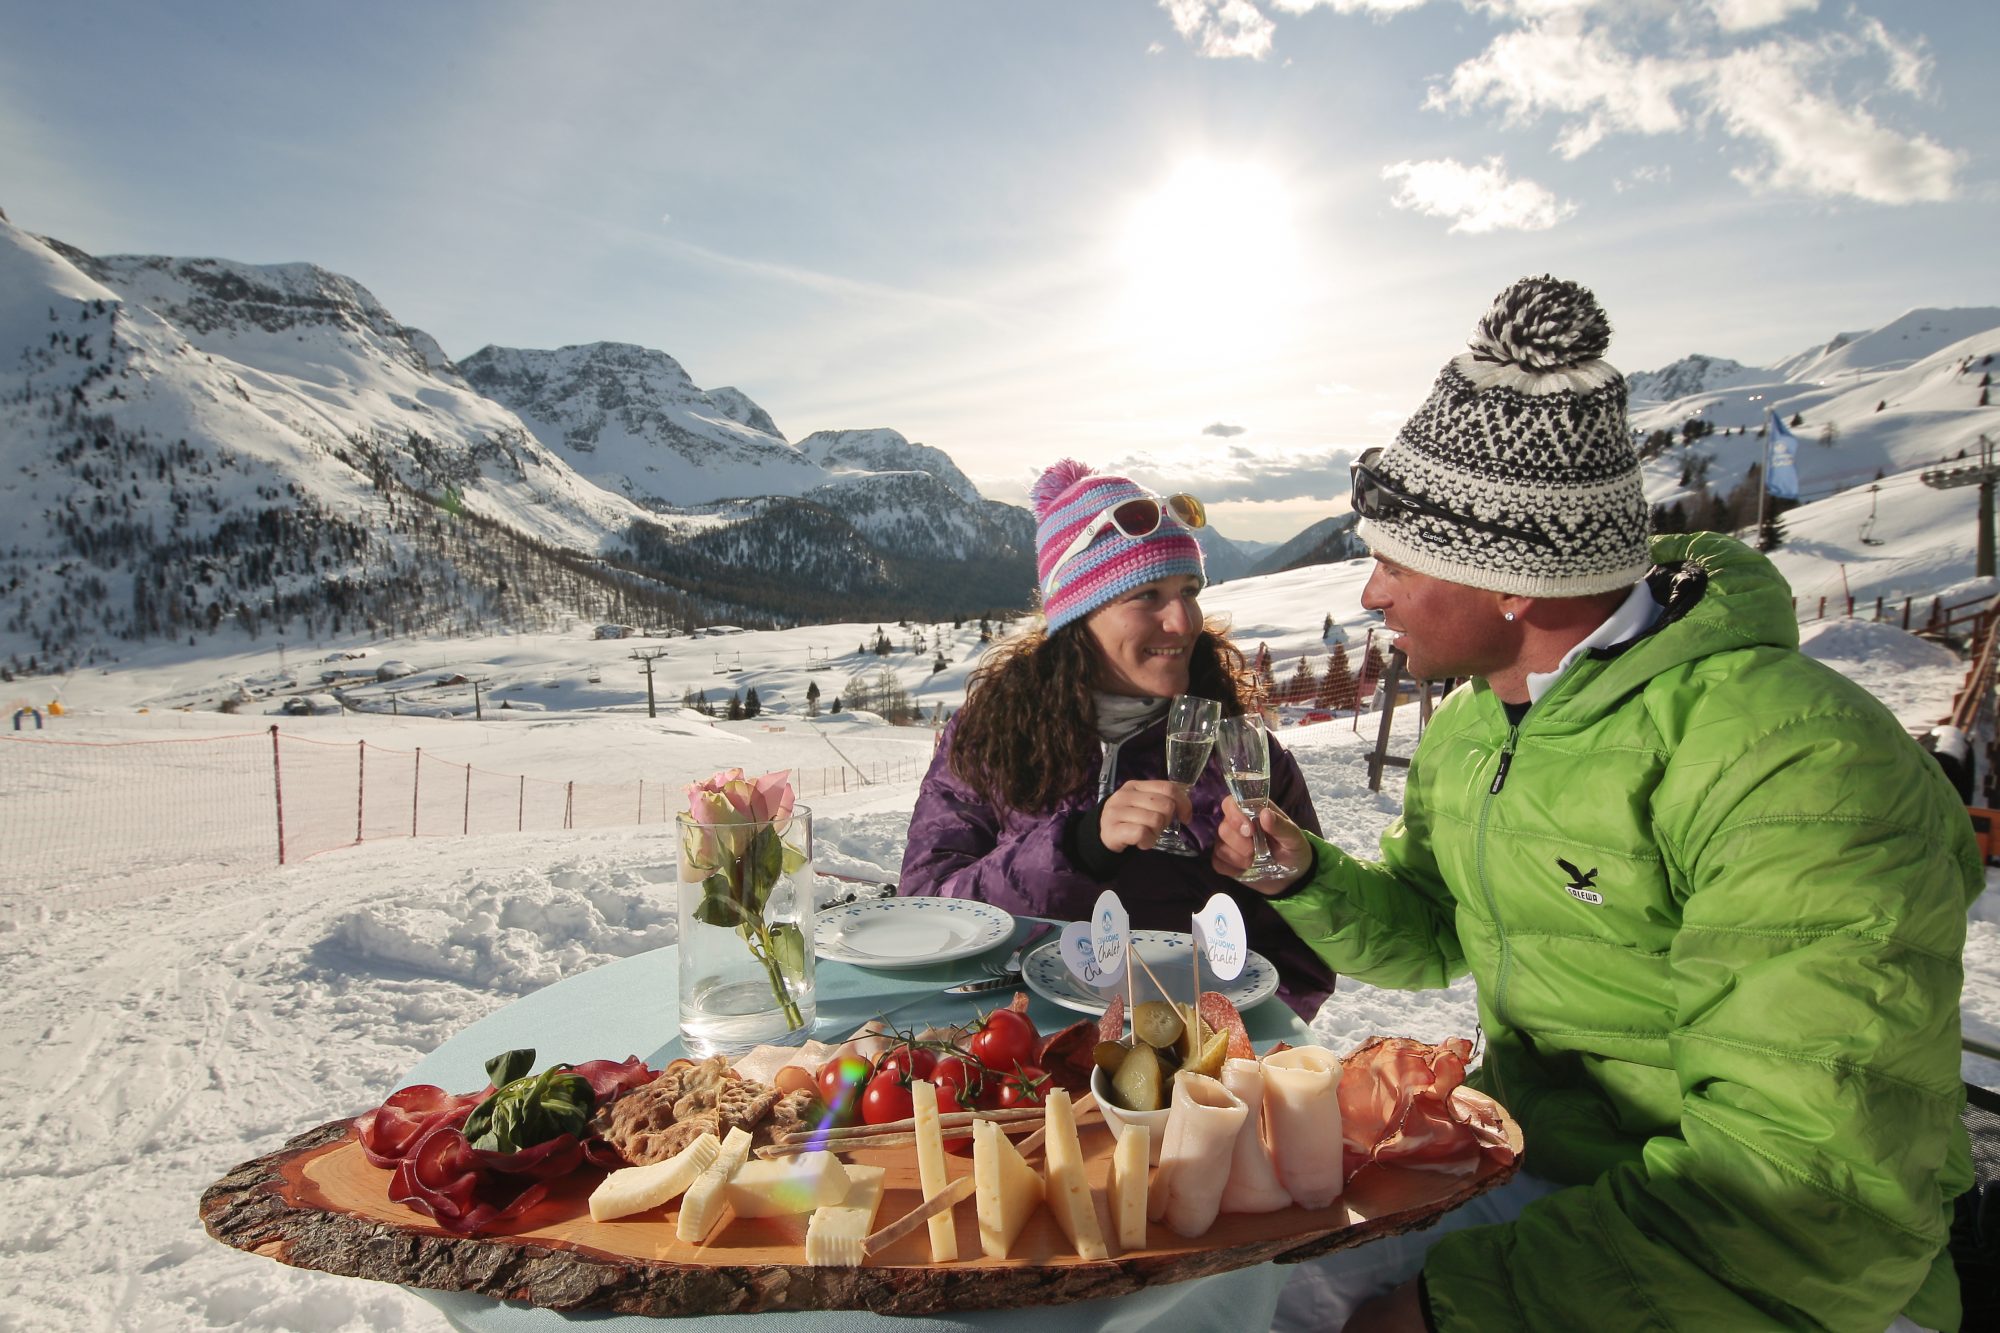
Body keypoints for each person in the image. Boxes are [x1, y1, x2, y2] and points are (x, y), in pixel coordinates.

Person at [1215, 275, 1982, 1332]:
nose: (1370, 592)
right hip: (1553, 1178)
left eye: (1397, 558)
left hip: (1771, 1267)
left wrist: (1453, 1311)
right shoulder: (1479, 725)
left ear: (1512, 582)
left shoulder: (1793, 764)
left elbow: (1806, 1196)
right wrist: (1295, 872)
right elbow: (1437, 930)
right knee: (1242, 1294)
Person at [899, 459, 1335, 1020]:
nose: (1184, 622)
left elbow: (1301, 963)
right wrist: (1074, 848)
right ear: (1078, 617)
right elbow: (926, 910)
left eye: (1189, 590)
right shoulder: (990, 736)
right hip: (1017, 1052)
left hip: (1187, 1075)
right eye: (1148, 595)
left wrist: (1286, 885)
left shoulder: (1241, 752)